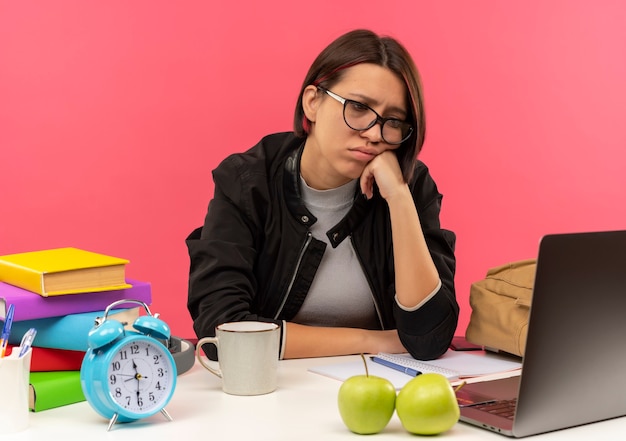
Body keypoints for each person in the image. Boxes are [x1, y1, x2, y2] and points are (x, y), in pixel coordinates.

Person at [187, 29, 458, 361]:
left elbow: (429, 338)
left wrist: (400, 199)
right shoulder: (247, 182)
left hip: (378, 389)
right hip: (270, 392)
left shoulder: (412, 186)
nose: (375, 134)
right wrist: (374, 341)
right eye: (358, 107)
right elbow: (222, 329)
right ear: (312, 102)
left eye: (394, 122)